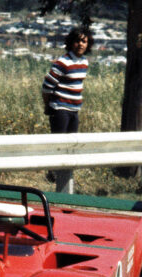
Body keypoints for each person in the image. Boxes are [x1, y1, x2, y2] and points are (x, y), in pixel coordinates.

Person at [41, 27, 93, 192]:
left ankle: (65, 175)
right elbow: (47, 86)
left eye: (84, 41)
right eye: (77, 41)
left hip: (74, 109)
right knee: (58, 141)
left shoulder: (84, 62)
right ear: (71, 43)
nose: (80, 44)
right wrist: (48, 105)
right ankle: (52, 171)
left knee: (71, 143)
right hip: (60, 108)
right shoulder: (62, 62)